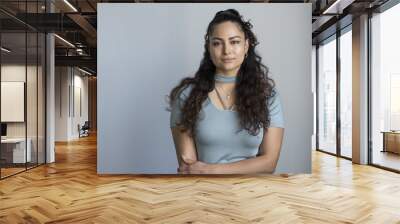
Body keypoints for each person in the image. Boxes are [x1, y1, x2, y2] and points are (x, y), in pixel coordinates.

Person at [168, 9, 284, 174]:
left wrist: (212, 170)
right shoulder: (187, 96)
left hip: (253, 192)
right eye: (217, 43)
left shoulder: (268, 96)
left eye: (234, 42)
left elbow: (269, 163)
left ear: (246, 46)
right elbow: (190, 169)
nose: (226, 51)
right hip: (204, 192)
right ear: (209, 48)